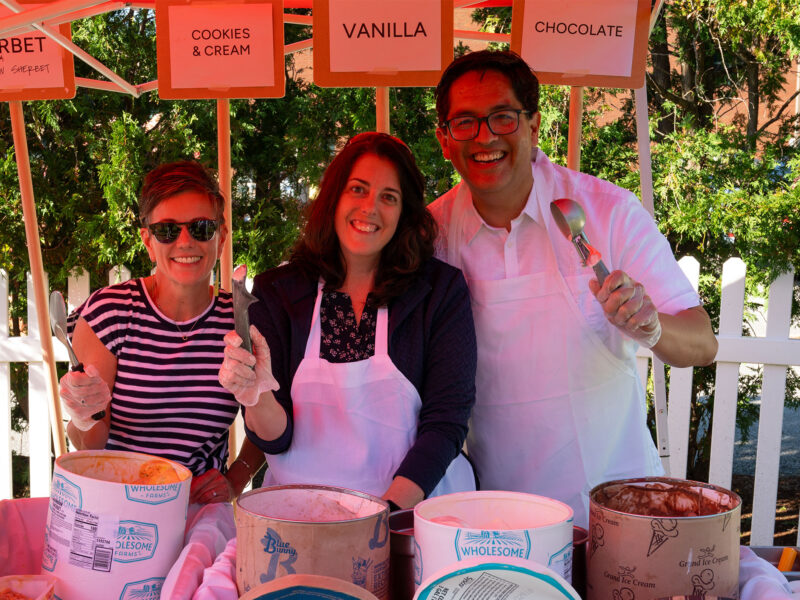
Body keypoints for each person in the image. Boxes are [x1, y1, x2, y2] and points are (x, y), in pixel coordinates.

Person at [429, 50, 719, 527]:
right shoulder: (431, 237)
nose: (485, 137)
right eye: (465, 122)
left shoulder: (608, 211)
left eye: (503, 117)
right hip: (498, 517)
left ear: (533, 125)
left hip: (620, 506)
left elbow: (702, 343)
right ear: (445, 140)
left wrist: (650, 326)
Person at [219, 132, 477, 509]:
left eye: (389, 197)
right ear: (333, 196)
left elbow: (446, 423)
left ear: (405, 213)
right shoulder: (277, 292)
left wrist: (385, 518)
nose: (370, 208)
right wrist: (256, 396)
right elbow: (276, 438)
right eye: (358, 189)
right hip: (303, 514)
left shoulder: (439, 292)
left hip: (413, 512)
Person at [59, 160, 265, 504]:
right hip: (115, 505)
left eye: (201, 228)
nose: (185, 242)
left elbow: (268, 415)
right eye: (167, 230)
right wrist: (83, 417)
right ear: (148, 241)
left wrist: (235, 479)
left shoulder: (241, 319)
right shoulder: (109, 313)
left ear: (221, 237)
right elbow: (89, 445)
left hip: (198, 509)